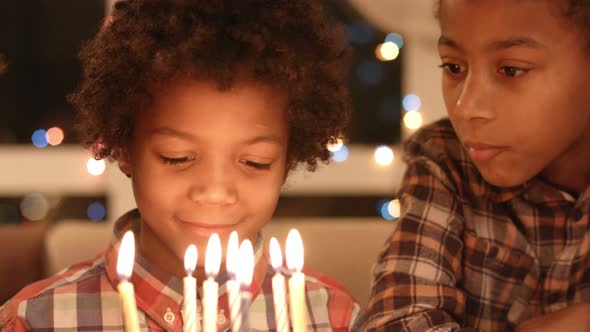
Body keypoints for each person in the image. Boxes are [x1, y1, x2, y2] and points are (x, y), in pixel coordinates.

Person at [0, 0, 364, 330]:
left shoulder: (332, 318)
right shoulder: (37, 320)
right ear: (125, 148)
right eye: (178, 157)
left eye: (255, 162)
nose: (215, 191)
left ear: (287, 162)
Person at [364, 0, 590, 331]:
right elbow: (399, 323)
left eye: (511, 69)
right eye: (454, 67)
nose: (466, 106)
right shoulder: (446, 162)